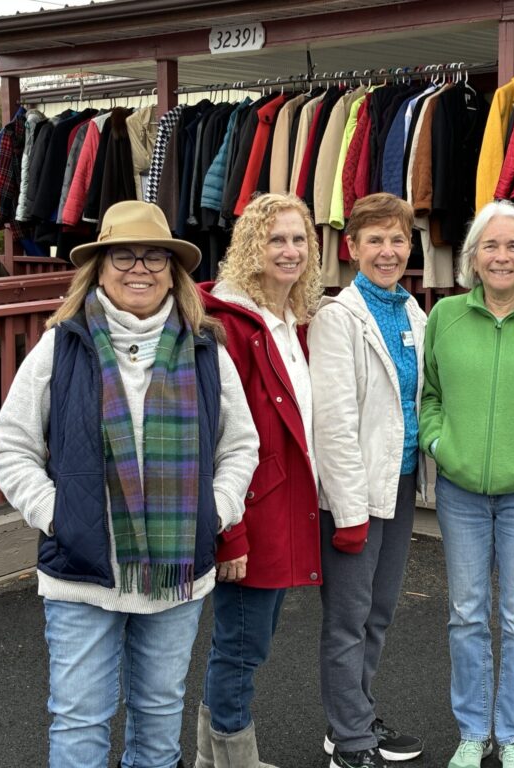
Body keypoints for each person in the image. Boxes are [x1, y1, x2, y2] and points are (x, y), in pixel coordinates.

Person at [0, 200, 260, 768]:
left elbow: (240, 446)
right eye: (124, 256)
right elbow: (10, 447)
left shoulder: (207, 350)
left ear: (173, 270)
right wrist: (58, 514)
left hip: (178, 570)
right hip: (83, 572)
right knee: (80, 723)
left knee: (160, 722)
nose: (140, 269)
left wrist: (216, 508)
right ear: (100, 267)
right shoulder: (62, 347)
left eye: (155, 257)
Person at [419, 199, 514, 768]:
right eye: (490, 246)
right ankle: (473, 732)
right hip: (460, 493)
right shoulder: (445, 317)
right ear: (472, 258)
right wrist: (438, 444)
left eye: (513, 245)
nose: (502, 256)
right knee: (466, 613)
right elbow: (430, 395)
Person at [195, 192, 324, 768]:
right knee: (241, 648)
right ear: (251, 245)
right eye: (276, 239)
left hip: (282, 505)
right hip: (248, 513)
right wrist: (232, 535)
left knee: (246, 644)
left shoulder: (293, 320)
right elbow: (219, 439)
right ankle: (234, 758)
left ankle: (211, 758)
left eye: (299, 239)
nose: (290, 251)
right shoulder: (229, 324)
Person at [308, 192, 427, 768]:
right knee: (348, 618)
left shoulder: (413, 314)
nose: (387, 251)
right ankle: (348, 741)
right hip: (354, 496)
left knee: (378, 611)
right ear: (351, 248)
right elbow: (332, 424)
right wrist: (348, 511)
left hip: (398, 484)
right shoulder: (338, 319)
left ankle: (356, 715)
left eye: (397, 239)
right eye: (374, 240)